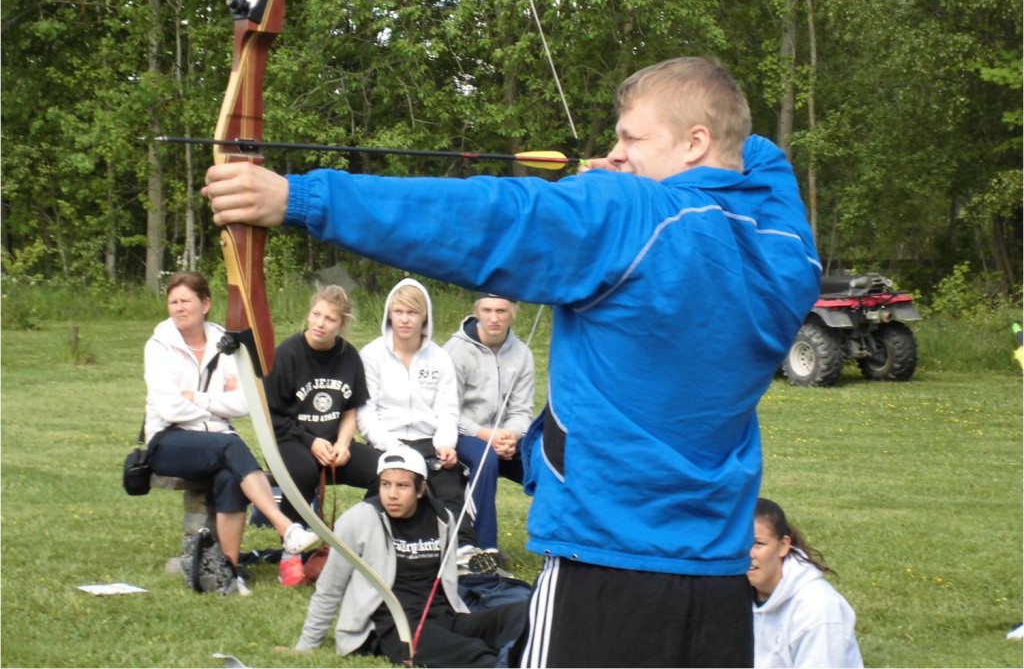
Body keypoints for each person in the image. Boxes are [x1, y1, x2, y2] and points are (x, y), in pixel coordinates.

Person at [204, 56, 822, 666]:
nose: (619, 150)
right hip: (720, 570)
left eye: (631, 137)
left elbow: (490, 220)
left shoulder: (630, 215)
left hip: (607, 562)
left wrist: (300, 198)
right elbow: (760, 155)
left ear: (695, 142)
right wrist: (647, 159)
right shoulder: (787, 251)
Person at [144, 271, 320, 594]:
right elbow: (169, 409)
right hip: (167, 442)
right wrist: (217, 405)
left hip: (215, 438)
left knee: (229, 475)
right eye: (173, 302)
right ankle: (286, 526)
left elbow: (244, 402)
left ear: (205, 304)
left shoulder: (224, 342)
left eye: (186, 301)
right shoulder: (158, 347)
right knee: (230, 449)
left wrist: (197, 398)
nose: (179, 308)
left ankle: (228, 570)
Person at [294, 445, 528, 667]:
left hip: (445, 617)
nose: (392, 495)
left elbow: (448, 582)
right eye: (386, 484)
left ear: (420, 489)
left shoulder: (443, 518)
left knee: (520, 614)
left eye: (402, 486)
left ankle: (523, 652)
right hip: (394, 628)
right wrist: (306, 644)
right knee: (470, 652)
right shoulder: (359, 520)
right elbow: (330, 587)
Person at [264, 284, 379, 586]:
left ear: (341, 324)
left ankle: (355, 542)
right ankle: (290, 551)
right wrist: (310, 441)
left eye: (329, 319)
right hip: (290, 440)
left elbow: (351, 409)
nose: (319, 323)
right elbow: (272, 417)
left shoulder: (349, 356)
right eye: (316, 314)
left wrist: (343, 443)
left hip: (334, 443)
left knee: (385, 471)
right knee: (301, 471)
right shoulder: (286, 355)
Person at [356, 278, 480, 556]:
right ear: (390, 313)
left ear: (424, 316)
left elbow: (448, 409)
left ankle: (463, 548)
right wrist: (390, 445)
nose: (404, 319)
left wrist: (445, 444)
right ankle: (378, 546)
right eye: (399, 312)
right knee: (390, 486)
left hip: (430, 441)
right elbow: (366, 412)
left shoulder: (439, 358)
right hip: (388, 443)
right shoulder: (372, 355)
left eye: (412, 313)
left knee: (448, 485)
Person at [443, 294, 534, 560]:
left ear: (514, 313)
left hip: (506, 439)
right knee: (486, 458)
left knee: (544, 459)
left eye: (501, 311)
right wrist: (487, 436)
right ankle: (485, 547)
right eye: (487, 310)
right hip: (463, 434)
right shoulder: (455, 351)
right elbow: (448, 411)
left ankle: (558, 539)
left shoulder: (523, 354)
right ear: (477, 311)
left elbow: (522, 410)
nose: (494, 318)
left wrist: (512, 436)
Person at [749, 498, 863, 668]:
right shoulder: (730, 593)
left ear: (783, 546)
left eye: (758, 544)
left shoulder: (817, 607)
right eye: (740, 544)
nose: (748, 553)